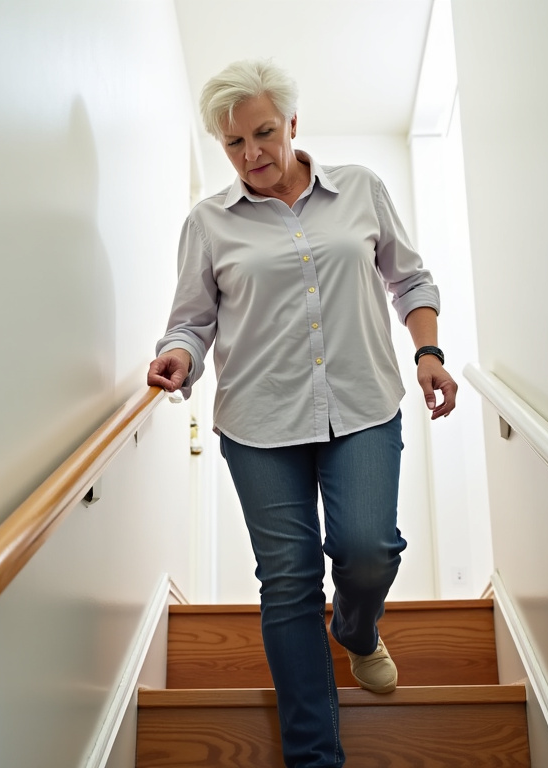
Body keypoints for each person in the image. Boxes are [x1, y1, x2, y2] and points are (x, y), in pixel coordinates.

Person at [146, 59, 457, 768]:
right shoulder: (208, 223)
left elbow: (409, 278)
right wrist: (179, 357)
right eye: (233, 144)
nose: (251, 154)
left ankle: (355, 627)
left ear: (291, 123)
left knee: (368, 549)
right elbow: (191, 322)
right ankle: (315, 757)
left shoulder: (362, 191)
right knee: (287, 582)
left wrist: (429, 352)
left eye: (262, 133)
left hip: (365, 404)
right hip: (258, 423)